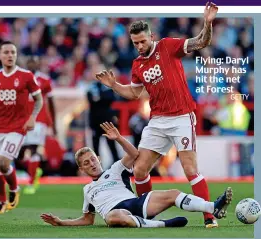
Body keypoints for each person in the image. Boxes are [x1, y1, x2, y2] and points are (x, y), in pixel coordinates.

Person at [95, 3, 219, 228]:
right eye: (135, 43)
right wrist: (114, 84)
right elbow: (134, 92)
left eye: (143, 41)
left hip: (181, 117)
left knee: (190, 169)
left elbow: (201, 41)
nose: (140, 46)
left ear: (151, 36)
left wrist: (207, 22)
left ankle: (209, 216)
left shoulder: (168, 46)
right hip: (158, 120)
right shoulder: (137, 64)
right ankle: (146, 215)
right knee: (139, 169)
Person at [40, 122, 232, 228]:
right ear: (81, 169)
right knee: (114, 216)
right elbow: (87, 219)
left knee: (173, 193)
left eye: (92, 159)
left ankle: (213, 206)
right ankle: (162, 225)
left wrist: (119, 138)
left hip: (137, 204)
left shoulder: (115, 169)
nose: (91, 164)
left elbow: (134, 155)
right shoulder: (87, 190)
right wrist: (60, 222)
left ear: (98, 158)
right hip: (117, 213)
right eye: (86, 163)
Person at [0, 41, 43, 214]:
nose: (10, 55)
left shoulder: (26, 76)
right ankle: (2, 200)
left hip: (17, 127)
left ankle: (14, 189)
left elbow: (39, 99)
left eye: (13, 52)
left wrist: (33, 117)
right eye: (6, 52)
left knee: (3, 162)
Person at [16, 57, 57, 195]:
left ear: (38, 64)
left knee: (33, 149)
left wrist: (53, 123)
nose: (31, 64)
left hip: (38, 120)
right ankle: (35, 170)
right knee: (20, 152)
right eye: (29, 62)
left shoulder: (44, 80)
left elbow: (51, 102)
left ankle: (32, 182)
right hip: (23, 120)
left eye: (34, 62)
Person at [87, 80, 120, 163]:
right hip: (95, 122)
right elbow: (90, 99)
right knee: (95, 148)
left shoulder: (107, 88)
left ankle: (118, 166)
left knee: (112, 146)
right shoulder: (91, 87)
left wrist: (98, 97)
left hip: (107, 122)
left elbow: (111, 98)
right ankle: (97, 167)